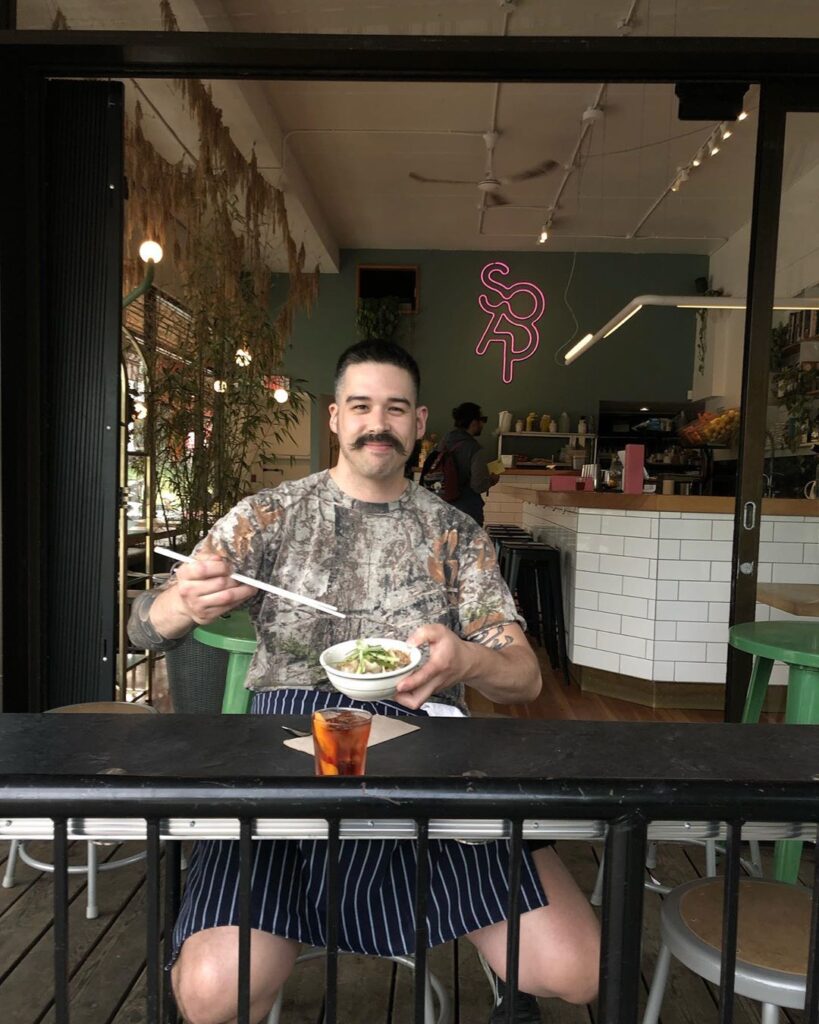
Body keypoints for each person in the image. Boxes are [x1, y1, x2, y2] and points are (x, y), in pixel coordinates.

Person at [128, 339, 599, 1024]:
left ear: (417, 422)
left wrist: (465, 662)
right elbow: (144, 626)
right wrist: (181, 605)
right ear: (335, 417)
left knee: (575, 971)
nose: (377, 423)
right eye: (360, 406)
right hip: (283, 754)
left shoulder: (454, 534)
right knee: (208, 993)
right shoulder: (271, 514)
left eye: (394, 408)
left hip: (427, 755)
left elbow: (524, 677)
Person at [430, 401, 498, 525]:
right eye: (482, 420)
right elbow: (478, 486)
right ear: (473, 422)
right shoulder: (474, 448)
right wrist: (492, 480)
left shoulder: (443, 442)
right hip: (466, 513)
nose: (482, 424)